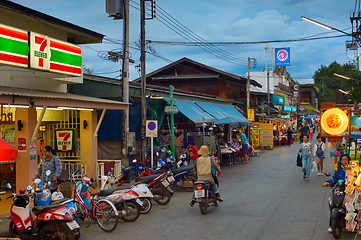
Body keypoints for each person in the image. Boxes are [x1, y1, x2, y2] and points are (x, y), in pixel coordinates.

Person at [322, 154, 350, 234]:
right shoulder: (338, 169)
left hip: (349, 190)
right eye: (343, 159)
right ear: (340, 161)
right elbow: (334, 178)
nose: (344, 161)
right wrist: (328, 182)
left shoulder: (351, 169)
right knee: (333, 205)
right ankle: (331, 226)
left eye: (346, 159)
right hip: (339, 190)